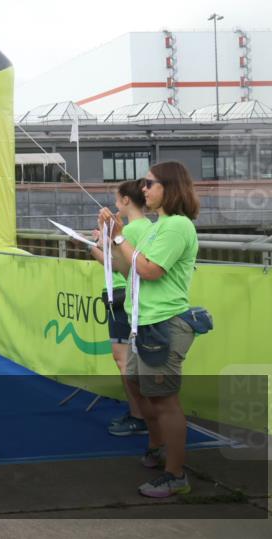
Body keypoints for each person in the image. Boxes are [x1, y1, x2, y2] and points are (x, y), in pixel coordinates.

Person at [99, 161, 200, 498]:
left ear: (169, 188)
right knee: (152, 398)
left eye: (150, 183)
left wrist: (119, 236)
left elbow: (149, 270)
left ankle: (175, 474)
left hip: (163, 324)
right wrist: (111, 239)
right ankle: (160, 451)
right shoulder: (161, 226)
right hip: (146, 323)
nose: (144, 189)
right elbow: (127, 267)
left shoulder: (176, 227)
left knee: (165, 401)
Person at [90, 180, 152, 436]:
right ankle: (140, 414)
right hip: (127, 296)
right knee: (128, 360)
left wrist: (97, 247)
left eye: (118, 197)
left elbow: (119, 264)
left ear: (126, 200)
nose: (116, 202)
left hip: (122, 295)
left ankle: (140, 416)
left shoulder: (132, 230)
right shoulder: (146, 227)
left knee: (124, 359)